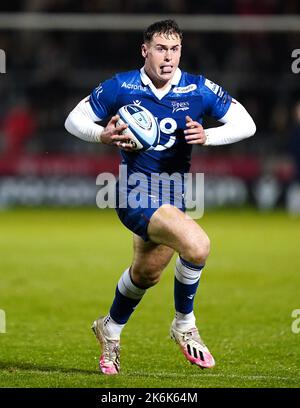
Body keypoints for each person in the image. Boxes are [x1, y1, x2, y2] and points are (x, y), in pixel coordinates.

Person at [65, 19, 256, 375]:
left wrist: (209, 136)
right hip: (133, 192)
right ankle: (184, 324)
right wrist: (101, 136)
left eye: (174, 49)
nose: (168, 57)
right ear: (145, 50)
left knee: (147, 273)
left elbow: (246, 123)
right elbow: (74, 119)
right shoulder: (121, 86)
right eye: (160, 49)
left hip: (173, 194)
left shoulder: (198, 90)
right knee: (197, 245)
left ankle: (110, 328)